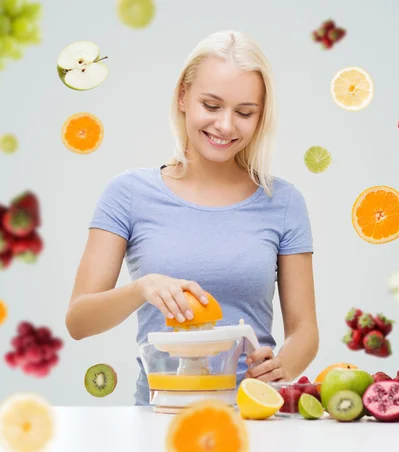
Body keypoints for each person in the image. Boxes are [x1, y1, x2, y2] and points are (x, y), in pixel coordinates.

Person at [65, 30, 319, 406]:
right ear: (183, 96)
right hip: (159, 414)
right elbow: (79, 321)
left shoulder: (282, 202)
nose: (226, 126)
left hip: (254, 415)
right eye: (212, 106)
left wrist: (281, 365)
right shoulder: (129, 194)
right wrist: (142, 288)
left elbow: (305, 329)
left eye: (245, 112)